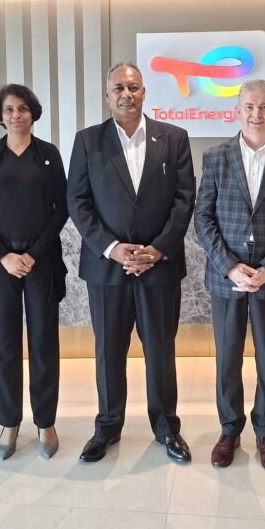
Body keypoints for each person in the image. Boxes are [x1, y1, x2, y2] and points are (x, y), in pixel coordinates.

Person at [67, 62, 195, 464]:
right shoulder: (88, 141)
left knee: (161, 351)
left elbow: (184, 200)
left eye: (134, 87)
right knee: (109, 352)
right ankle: (107, 427)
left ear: (144, 93)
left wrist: (158, 249)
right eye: (119, 88)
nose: (127, 94)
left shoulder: (173, 138)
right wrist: (112, 248)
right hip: (107, 269)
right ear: (107, 95)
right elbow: (78, 201)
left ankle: (167, 427)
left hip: (160, 267)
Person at [194, 79, 265, 472]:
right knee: (227, 358)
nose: (256, 114)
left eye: (264, 107)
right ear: (237, 112)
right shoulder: (215, 157)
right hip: (226, 279)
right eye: (249, 107)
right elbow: (203, 218)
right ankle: (229, 431)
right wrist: (229, 266)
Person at [0, 84, 68, 461]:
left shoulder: (48, 153)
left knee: (44, 342)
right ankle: (9, 422)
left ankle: (45, 421)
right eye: (9, 109)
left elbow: (61, 208)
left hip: (41, 262)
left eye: (23, 108)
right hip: (1, 264)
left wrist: (31, 254)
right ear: (0, 115)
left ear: (33, 113)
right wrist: (5, 256)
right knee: (5, 344)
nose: (16, 115)